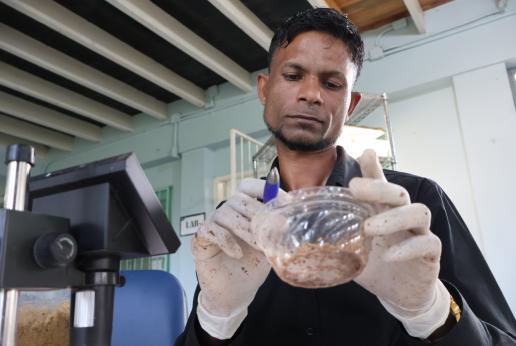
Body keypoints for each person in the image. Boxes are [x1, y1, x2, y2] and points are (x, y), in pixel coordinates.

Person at [175, 8, 516, 346]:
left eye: (332, 82)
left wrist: (430, 311)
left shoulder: (415, 203)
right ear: (264, 89)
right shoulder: (237, 222)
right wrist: (215, 319)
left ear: (350, 104)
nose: (311, 93)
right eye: (293, 75)